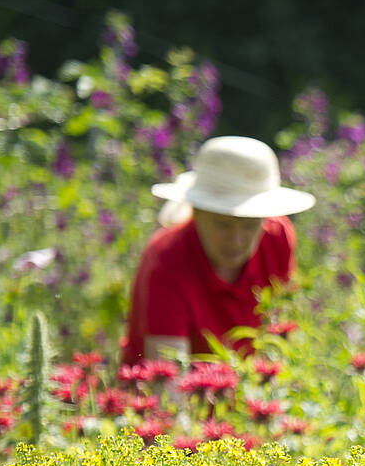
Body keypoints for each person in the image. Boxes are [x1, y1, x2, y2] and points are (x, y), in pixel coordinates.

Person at [122, 135, 316, 363]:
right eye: (223, 224)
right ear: (197, 212)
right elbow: (166, 379)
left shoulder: (277, 238)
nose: (236, 239)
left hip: (250, 388)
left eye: (249, 225)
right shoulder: (166, 259)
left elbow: (278, 337)